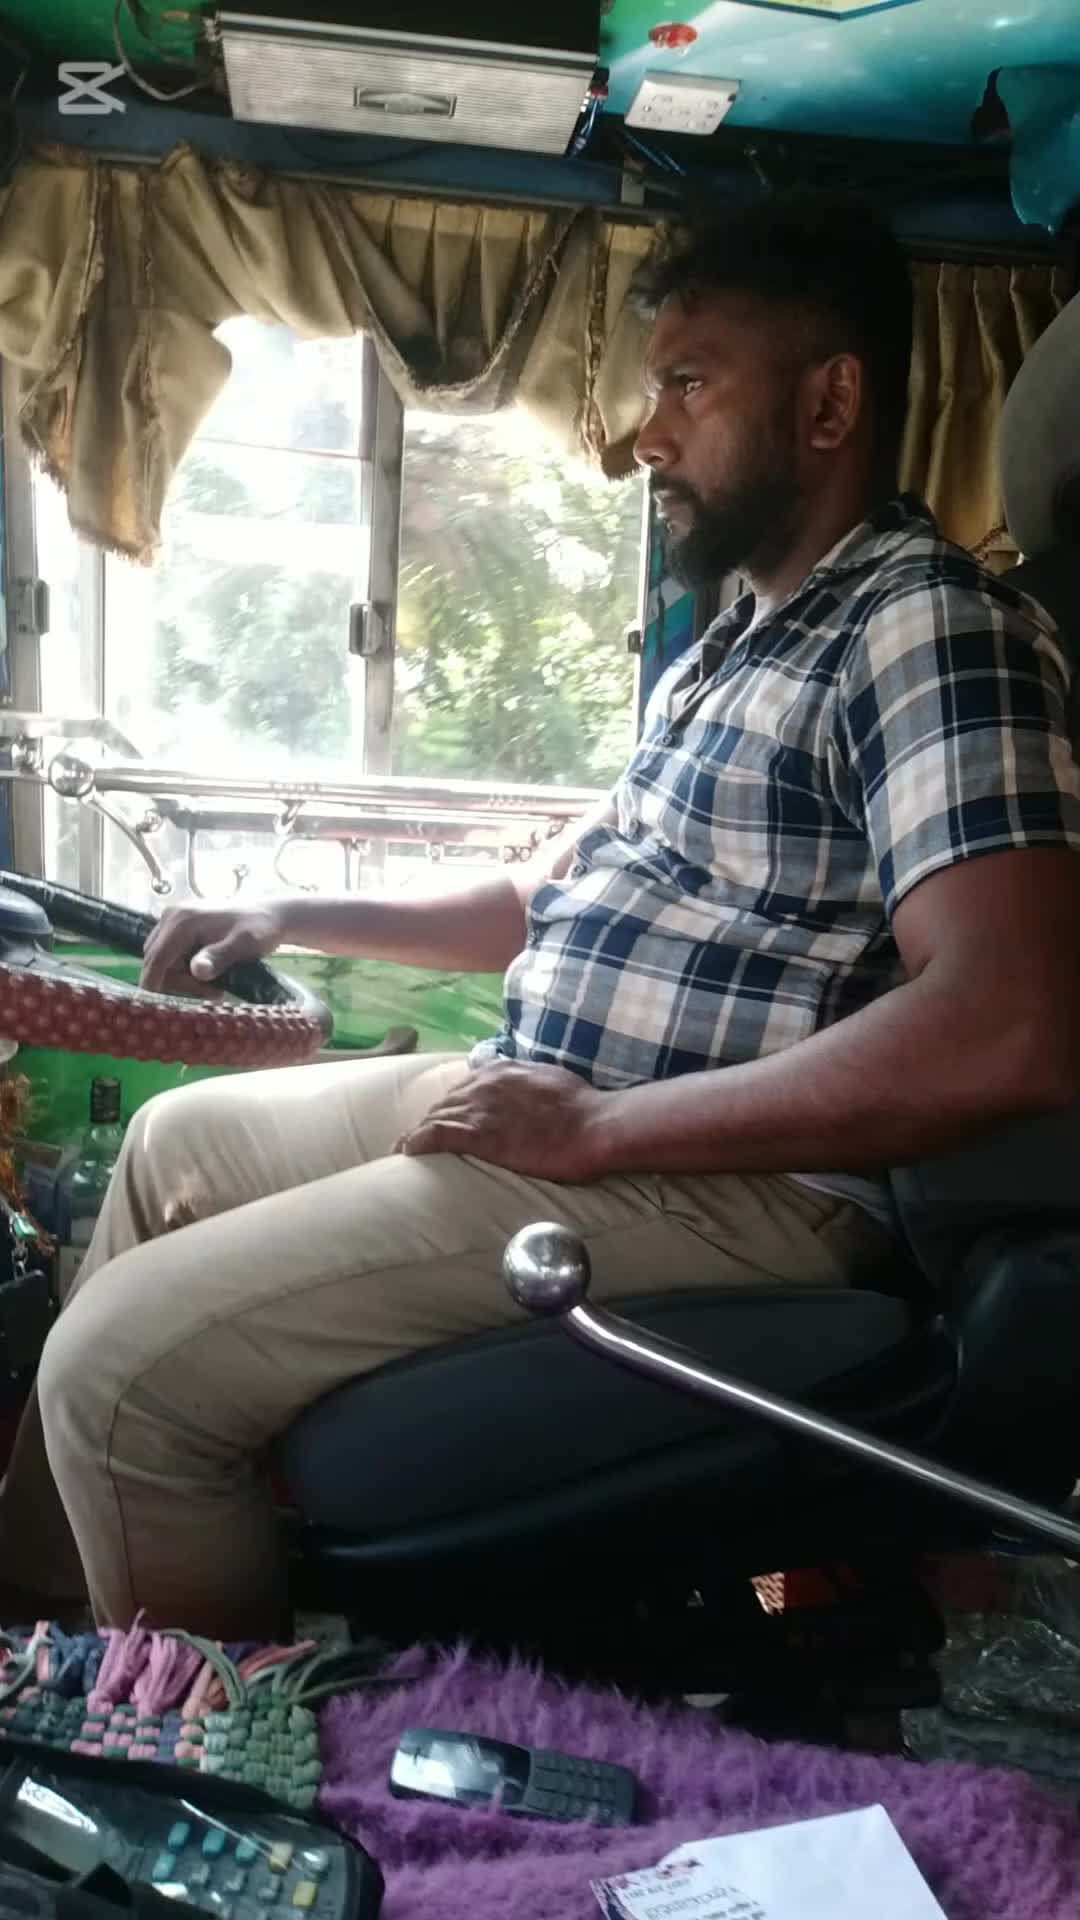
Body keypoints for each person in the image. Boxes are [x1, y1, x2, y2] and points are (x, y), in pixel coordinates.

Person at [3, 190, 1080, 1638]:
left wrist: (596, 1134)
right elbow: (544, 898)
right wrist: (285, 906)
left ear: (830, 404)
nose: (647, 436)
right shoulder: (738, 644)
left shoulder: (929, 627)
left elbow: (1009, 1024)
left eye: (688, 385)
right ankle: (49, 1637)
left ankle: (192, 1741)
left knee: (117, 1378)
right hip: (569, 1100)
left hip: (731, 1172)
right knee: (170, 1143)